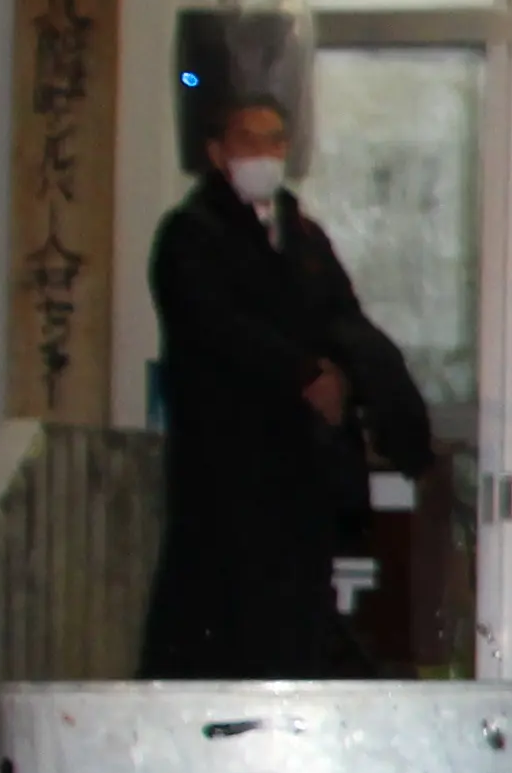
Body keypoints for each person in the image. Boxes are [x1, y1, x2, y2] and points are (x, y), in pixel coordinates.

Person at [140, 94, 429, 678]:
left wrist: (351, 380)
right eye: (248, 140)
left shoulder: (303, 236)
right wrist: (302, 374)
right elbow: (215, 326)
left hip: (301, 468)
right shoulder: (190, 234)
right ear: (217, 152)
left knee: (295, 616)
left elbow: (343, 318)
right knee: (221, 615)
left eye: (274, 140)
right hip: (226, 461)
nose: (264, 153)